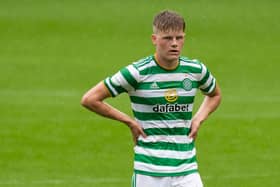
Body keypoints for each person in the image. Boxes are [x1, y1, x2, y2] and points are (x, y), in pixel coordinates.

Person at [81, 10, 221, 187]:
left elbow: (215, 94)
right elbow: (90, 99)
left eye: (179, 38)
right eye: (168, 38)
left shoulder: (195, 70)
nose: (175, 44)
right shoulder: (137, 72)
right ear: (154, 39)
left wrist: (199, 119)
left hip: (187, 170)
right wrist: (129, 122)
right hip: (149, 172)